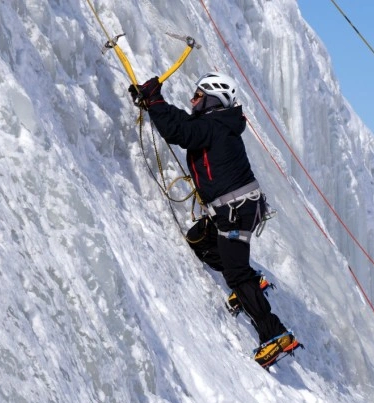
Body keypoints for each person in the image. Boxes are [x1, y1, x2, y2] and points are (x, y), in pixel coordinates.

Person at [129, 72, 303, 367]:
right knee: (200, 239)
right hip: (235, 209)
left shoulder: (214, 125)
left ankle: (275, 335)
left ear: (212, 99)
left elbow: (180, 131)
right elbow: (184, 126)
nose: (192, 99)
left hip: (235, 211)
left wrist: (155, 99)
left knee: (236, 273)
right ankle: (248, 285)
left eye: (197, 95)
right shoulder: (216, 124)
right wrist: (153, 103)